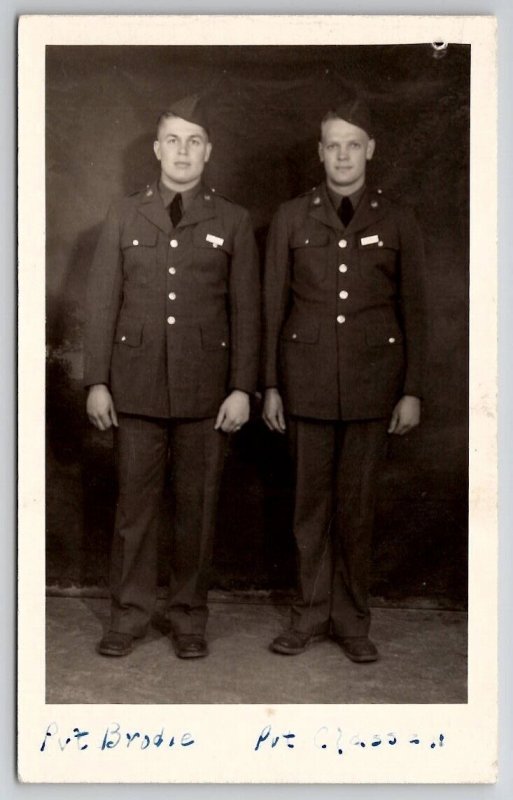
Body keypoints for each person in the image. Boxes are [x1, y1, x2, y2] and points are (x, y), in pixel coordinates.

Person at [84, 94, 260, 659]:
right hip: (133, 387)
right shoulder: (124, 213)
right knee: (134, 512)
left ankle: (188, 618)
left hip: (206, 393)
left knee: (196, 511)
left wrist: (241, 387)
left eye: (194, 141)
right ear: (158, 149)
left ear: (208, 152)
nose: (182, 152)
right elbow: (101, 302)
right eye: (173, 140)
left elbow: (247, 310)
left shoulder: (231, 219)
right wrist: (96, 381)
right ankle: (129, 615)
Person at [262, 96, 426, 662]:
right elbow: (271, 306)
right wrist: (271, 385)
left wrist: (411, 389)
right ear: (320, 152)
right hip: (304, 382)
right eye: (333, 145)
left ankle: (353, 621)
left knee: (356, 510)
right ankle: (308, 616)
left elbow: (416, 311)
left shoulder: (397, 217)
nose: (343, 155)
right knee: (309, 510)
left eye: (353, 144)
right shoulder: (291, 216)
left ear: (370, 150)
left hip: (371, 387)